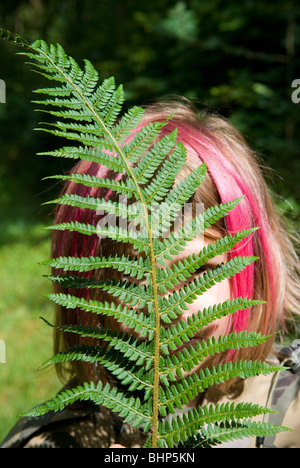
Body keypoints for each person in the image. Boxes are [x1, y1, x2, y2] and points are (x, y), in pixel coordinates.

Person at [1, 98, 300, 448]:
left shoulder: (290, 407)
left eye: (199, 269)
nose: (166, 310)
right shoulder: (55, 440)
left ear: (255, 269)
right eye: (129, 278)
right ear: (84, 292)